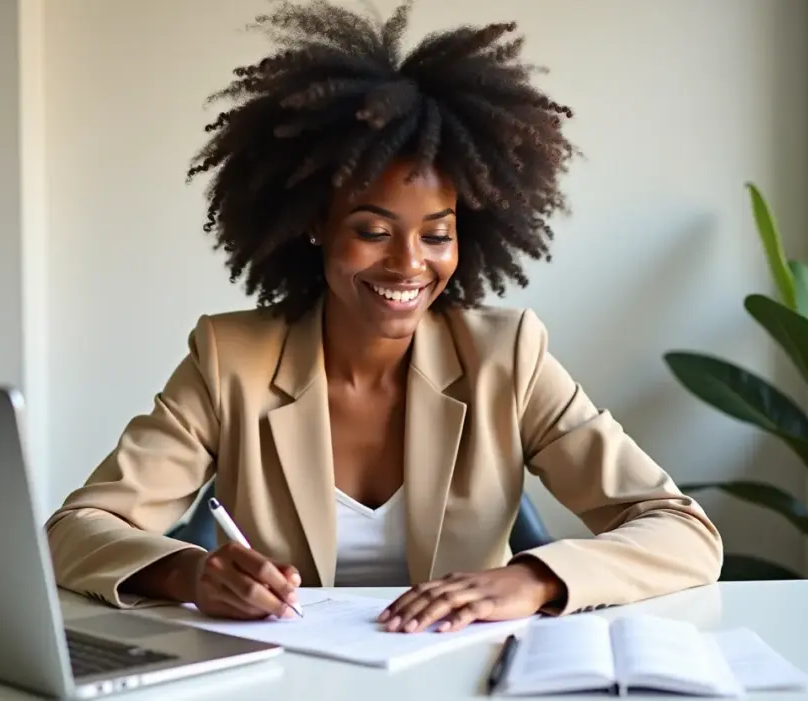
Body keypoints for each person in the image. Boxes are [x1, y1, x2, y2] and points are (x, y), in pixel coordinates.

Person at [46, 0, 722, 634]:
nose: (408, 264)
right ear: (316, 224)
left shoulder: (507, 356)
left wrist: (536, 577)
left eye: (436, 233)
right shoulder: (231, 360)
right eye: (372, 230)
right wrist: (191, 570)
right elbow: (74, 530)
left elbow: (681, 530)